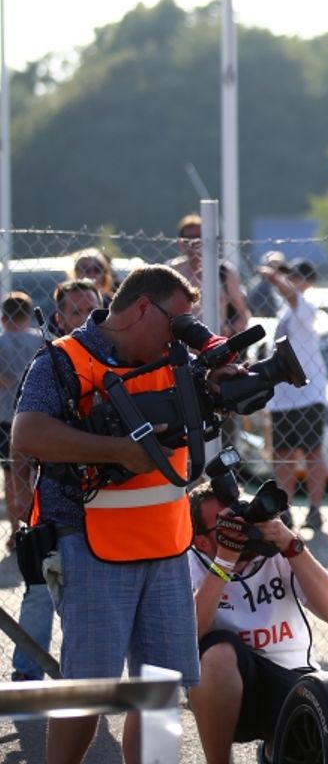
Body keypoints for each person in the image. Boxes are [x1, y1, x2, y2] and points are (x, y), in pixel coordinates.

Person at [11, 265, 219, 764]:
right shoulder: (64, 360)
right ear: (143, 308)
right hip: (92, 544)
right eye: (176, 322)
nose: (181, 335)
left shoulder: (174, 359)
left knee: (160, 693)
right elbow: (27, 433)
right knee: (90, 693)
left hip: (166, 544)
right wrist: (118, 451)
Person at [188, 481, 328, 764]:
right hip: (229, 683)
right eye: (225, 525)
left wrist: (293, 546)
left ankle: (276, 750)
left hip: (291, 677)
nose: (240, 528)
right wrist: (223, 563)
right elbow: (187, 638)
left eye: (241, 517)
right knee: (218, 653)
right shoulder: (190, 563)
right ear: (202, 542)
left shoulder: (276, 554)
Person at [8, 282, 101, 683]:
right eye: (76, 312)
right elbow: (22, 438)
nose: (86, 319)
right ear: (59, 319)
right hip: (55, 505)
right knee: (40, 592)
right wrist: (19, 491)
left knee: (94, 606)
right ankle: (27, 677)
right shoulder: (47, 364)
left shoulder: (120, 361)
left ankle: (87, 683)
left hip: (109, 511)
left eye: (92, 310)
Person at [260, 258, 328, 530]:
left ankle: (315, 509)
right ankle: (285, 509)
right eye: (290, 276)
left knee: (311, 452)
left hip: (307, 394)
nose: (292, 280)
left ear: (308, 281)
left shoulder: (306, 306)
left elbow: (291, 295)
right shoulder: (285, 310)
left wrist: (274, 277)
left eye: (297, 276)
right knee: (283, 454)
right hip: (283, 396)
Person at [1, 293, 42, 547]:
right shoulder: (41, 340)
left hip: (6, 416)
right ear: (27, 316)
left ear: (3, 318)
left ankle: (15, 531)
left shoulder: (1, 342)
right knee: (37, 472)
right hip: (36, 415)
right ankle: (36, 524)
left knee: (10, 474)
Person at [169, 212, 250, 336]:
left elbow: (242, 314)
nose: (194, 242)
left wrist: (230, 332)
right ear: (180, 242)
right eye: (188, 238)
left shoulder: (224, 271)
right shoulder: (173, 271)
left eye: (199, 236)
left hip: (216, 340)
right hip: (182, 340)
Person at [246, 250, 285, 318]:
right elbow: (260, 314)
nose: (276, 269)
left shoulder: (281, 286)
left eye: (280, 266)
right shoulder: (260, 287)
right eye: (272, 266)